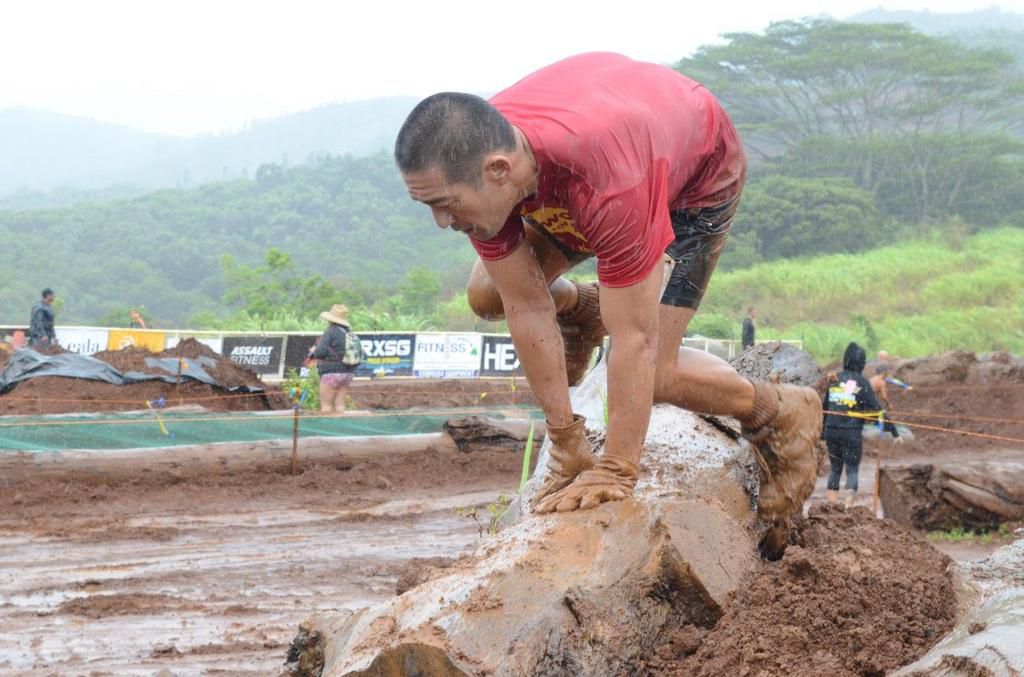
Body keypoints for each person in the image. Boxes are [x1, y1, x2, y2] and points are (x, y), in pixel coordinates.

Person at [395, 53, 821, 536]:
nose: (442, 223)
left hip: (690, 179)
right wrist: (565, 438)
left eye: (445, 206)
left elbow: (636, 340)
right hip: (582, 165)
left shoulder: (610, 185)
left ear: (497, 171)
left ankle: (779, 409)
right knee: (487, 293)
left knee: (655, 372)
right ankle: (589, 309)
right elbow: (525, 303)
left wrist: (615, 467)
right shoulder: (474, 158)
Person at [822, 342, 900, 506]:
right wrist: (893, 431)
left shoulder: (835, 379)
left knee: (835, 469)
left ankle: (831, 506)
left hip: (832, 431)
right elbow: (876, 410)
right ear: (861, 363)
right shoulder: (862, 382)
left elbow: (825, 408)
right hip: (851, 433)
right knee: (851, 468)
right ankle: (848, 507)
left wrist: (822, 433)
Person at [310, 304, 358, 413]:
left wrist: (313, 352)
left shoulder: (331, 331)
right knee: (340, 405)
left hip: (330, 374)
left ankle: (326, 428)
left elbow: (320, 352)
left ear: (330, 319)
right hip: (347, 373)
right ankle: (340, 428)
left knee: (326, 406)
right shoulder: (349, 332)